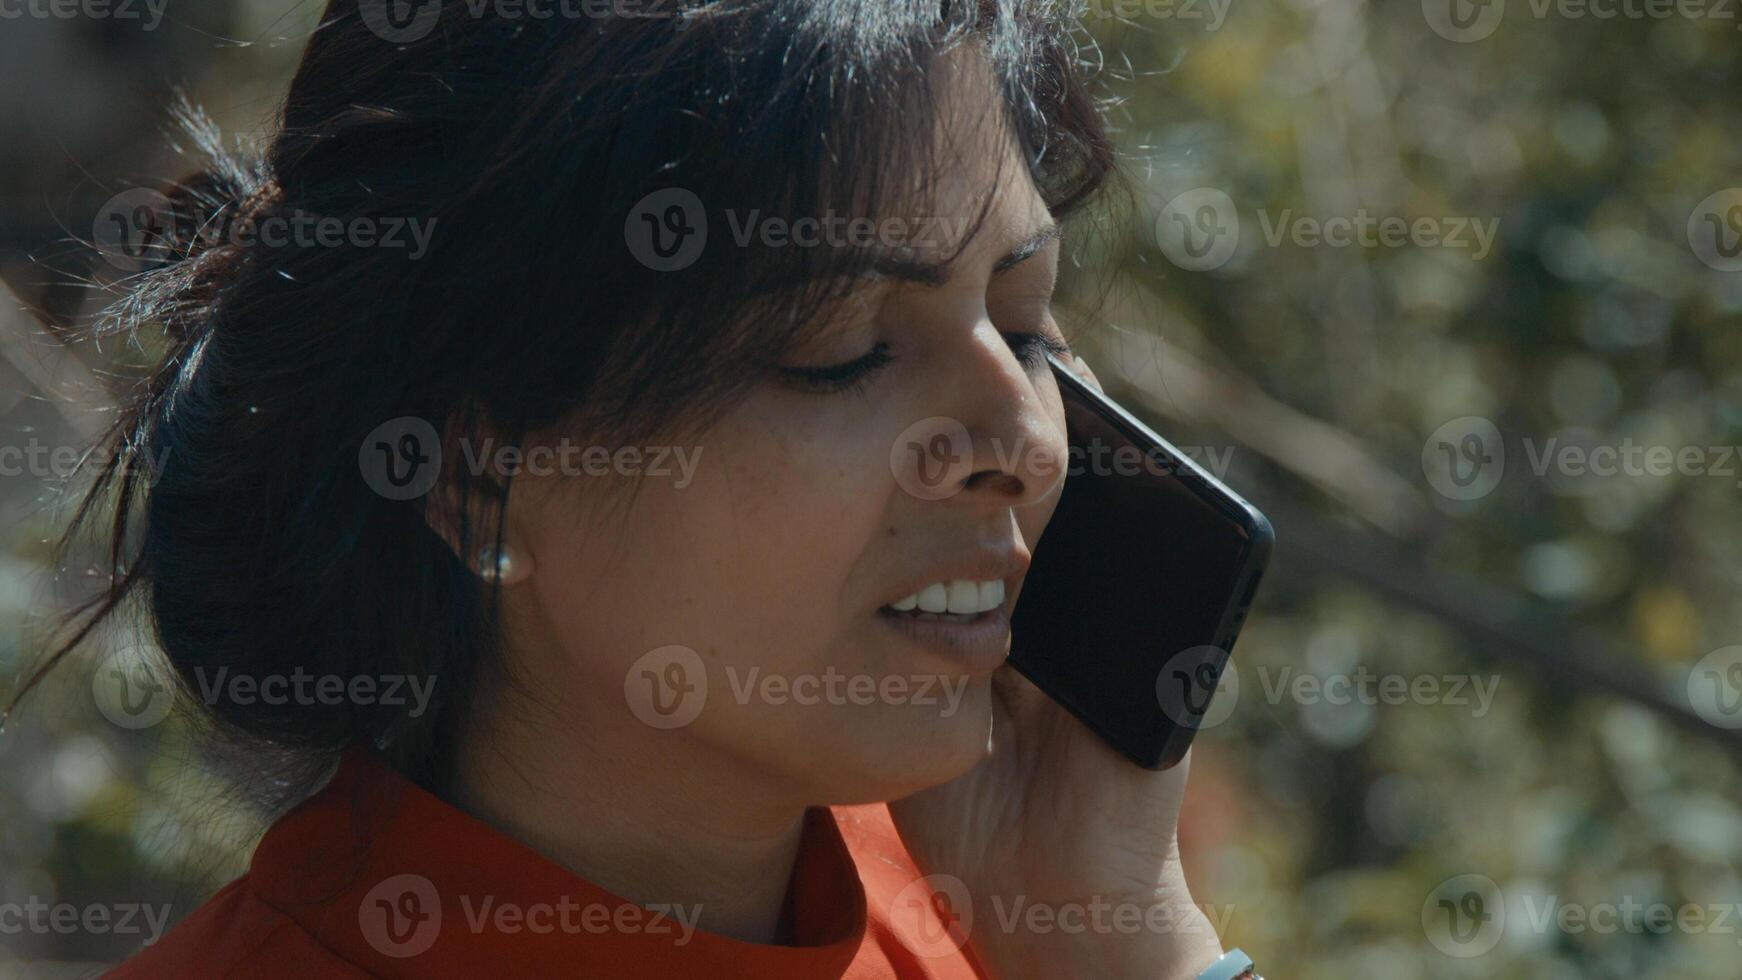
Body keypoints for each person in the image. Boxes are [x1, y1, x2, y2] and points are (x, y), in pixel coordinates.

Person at [21, 2, 1262, 976]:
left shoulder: (996, 926)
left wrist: (1115, 941)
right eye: (840, 351)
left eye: (1024, 320)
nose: (1020, 438)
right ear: (476, 477)